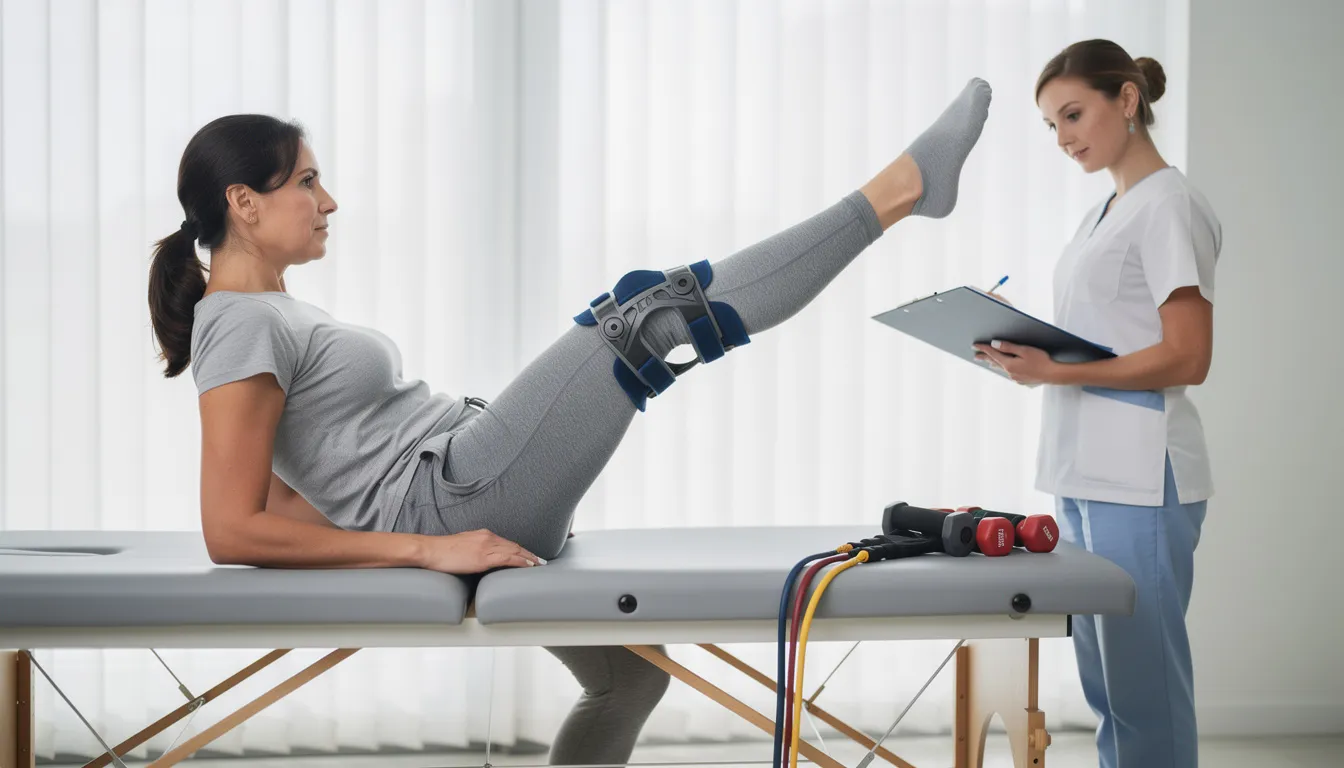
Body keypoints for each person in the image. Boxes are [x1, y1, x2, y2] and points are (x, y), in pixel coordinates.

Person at [148, 79, 992, 765]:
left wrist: (398, 530)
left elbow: (289, 499)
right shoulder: (241, 324)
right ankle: (903, 189)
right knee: (646, 313)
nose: (327, 199)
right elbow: (233, 525)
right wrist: (428, 549)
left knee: (626, 683)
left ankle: (903, 192)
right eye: (303, 181)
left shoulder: (268, 311)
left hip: (465, 479)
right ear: (243, 203)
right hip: (458, 492)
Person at [973, 40, 1220, 768]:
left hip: (1144, 477)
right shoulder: (1104, 213)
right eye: (1052, 125)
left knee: (1144, 687)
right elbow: (1097, 343)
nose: (1064, 137)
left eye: (1073, 114)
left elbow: (1188, 356)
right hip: (1083, 471)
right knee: (1106, 686)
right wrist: (1018, 343)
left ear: (1128, 99)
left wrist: (1055, 372)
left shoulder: (1169, 206)